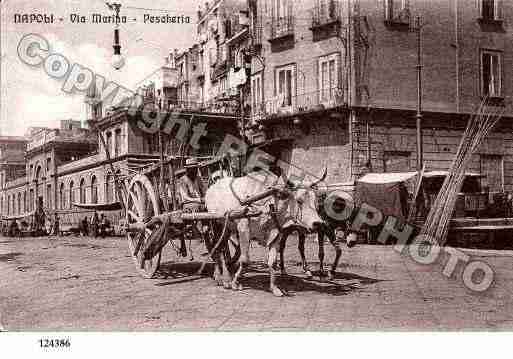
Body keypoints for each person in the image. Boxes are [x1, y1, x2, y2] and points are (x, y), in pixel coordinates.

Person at [177, 158, 205, 257]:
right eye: (192, 169)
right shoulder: (182, 180)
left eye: (195, 168)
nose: (194, 171)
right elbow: (185, 197)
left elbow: (204, 191)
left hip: (199, 202)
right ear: (188, 170)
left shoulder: (198, 179)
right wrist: (198, 200)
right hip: (187, 204)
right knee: (196, 207)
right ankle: (198, 235)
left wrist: (205, 199)